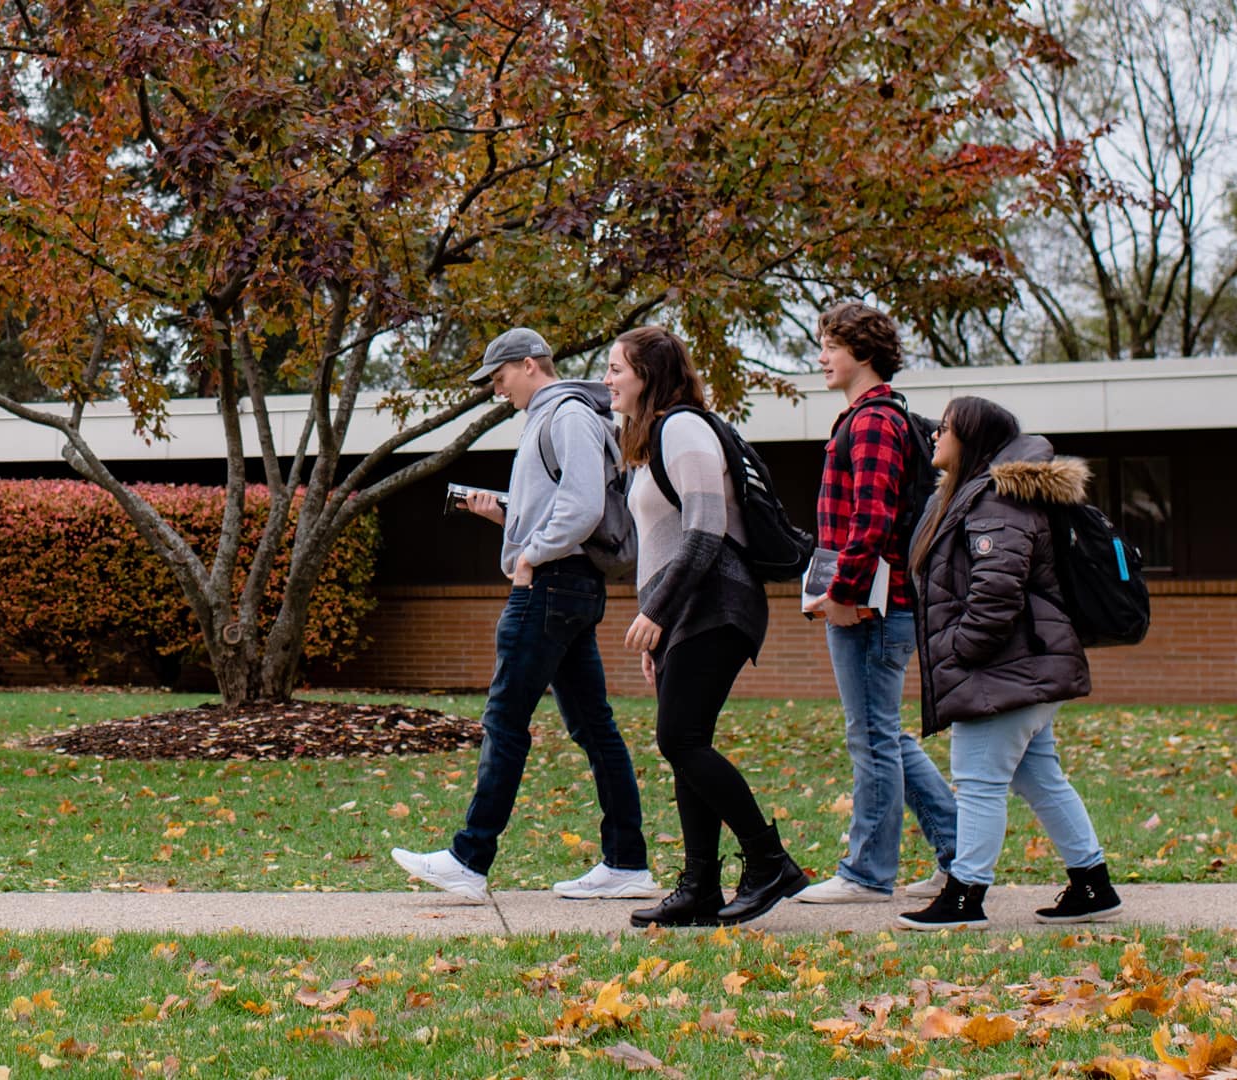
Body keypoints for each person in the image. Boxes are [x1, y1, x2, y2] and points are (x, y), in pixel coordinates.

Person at [391, 328, 659, 903]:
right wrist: (508, 523)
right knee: (594, 728)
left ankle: (468, 859)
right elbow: (562, 502)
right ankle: (627, 864)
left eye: (499, 376)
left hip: (550, 588)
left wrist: (531, 556)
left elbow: (583, 505)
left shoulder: (561, 414)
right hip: (569, 588)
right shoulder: (567, 416)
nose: (496, 389)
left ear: (531, 364)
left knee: (506, 720)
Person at [602, 325, 810, 927]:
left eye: (617, 368)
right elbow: (667, 541)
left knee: (680, 739)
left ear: (648, 374)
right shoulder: (652, 437)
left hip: (717, 605)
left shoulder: (684, 428)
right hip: (688, 614)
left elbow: (704, 531)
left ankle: (768, 861)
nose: (608, 379)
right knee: (686, 744)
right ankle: (698, 888)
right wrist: (662, 627)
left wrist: (656, 612)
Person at [896, 396, 1122, 930]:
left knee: (977, 780)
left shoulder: (995, 502)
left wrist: (960, 651)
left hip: (1004, 668)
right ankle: (1093, 884)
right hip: (1026, 666)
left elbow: (996, 593)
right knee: (1039, 776)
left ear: (970, 438)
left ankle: (964, 896)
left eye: (944, 428)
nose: (934, 435)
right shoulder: (979, 496)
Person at [798, 302, 957, 905]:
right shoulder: (874, 418)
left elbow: (873, 520)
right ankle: (958, 848)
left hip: (870, 608)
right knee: (885, 736)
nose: (821, 358)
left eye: (830, 346)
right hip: (876, 604)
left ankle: (867, 872)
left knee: (871, 738)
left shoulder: (871, 423)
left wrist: (842, 596)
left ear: (862, 351)